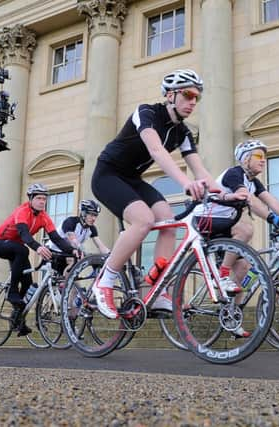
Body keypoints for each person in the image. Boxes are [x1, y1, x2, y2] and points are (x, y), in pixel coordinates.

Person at [91, 68, 220, 319]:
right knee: (144, 220)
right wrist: (185, 182)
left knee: (167, 220)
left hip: (131, 179)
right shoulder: (146, 112)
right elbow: (156, 150)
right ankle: (104, 282)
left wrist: (225, 193)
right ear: (170, 95)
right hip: (107, 174)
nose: (193, 102)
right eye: (188, 95)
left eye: (197, 97)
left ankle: (157, 290)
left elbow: (200, 170)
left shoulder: (183, 132)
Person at [192, 139, 279, 336]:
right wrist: (272, 219)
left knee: (244, 269)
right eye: (258, 156)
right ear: (245, 159)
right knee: (246, 230)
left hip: (224, 226)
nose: (263, 160)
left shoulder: (253, 182)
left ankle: (231, 316)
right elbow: (247, 197)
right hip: (206, 219)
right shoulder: (235, 173)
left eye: (264, 157)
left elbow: (273, 202)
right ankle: (222, 275)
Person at [0, 183, 80, 335]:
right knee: (22, 249)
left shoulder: (44, 217)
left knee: (28, 283)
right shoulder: (22, 211)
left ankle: (17, 319)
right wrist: (38, 247)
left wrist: (73, 250)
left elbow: (57, 238)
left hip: (18, 249)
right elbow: (24, 234)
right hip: (1, 244)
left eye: (44, 199)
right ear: (31, 199)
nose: (42, 201)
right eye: (39, 198)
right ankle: (12, 292)